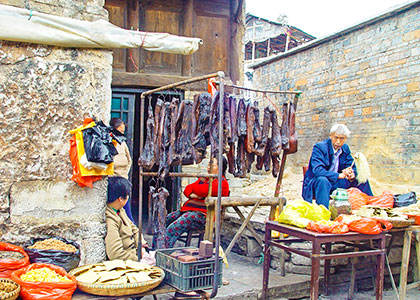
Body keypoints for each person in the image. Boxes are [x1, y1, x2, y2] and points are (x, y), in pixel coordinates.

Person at [162, 156, 230, 249]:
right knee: (165, 220)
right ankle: (155, 249)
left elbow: (201, 190)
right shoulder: (206, 179)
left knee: (173, 228)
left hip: (204, 217)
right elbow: (187, 189)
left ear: (220, 167)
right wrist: (193, 195)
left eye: (211, 164)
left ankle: (164, 251)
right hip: (189, 212)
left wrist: (197, 191)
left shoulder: (222, 183)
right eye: (208, 163)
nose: (208, 166)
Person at [302, 124, 373, 208]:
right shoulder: (320, 147)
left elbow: (350, 164)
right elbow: (317, 171)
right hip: (318, 182)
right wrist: (338, 175)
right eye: (336, 137)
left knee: (361, 178)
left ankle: (372, 207)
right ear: (331, 136)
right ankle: (324, 211)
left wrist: (351, 173)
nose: (338, 142)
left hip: (336, 182)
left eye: (342, 138)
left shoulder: (345, 148)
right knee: (322, 180)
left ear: (345, 138)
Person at [105, 176, 147, 260]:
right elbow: (115, 254)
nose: (128, 198)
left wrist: (141, 244)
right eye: (127, 195)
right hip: (127, 260)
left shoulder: (120, 210)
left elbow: (134, 229)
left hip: (135, 252)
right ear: (120, 199)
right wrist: (139, 259)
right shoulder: (110, 219)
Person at [109, 118, 134, 223]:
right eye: (119, 131)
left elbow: (129, 160)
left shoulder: (122, 144)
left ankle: (132, 229)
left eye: (123, 132)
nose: (121, 134)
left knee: (126, 209)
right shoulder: (109, 142)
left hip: (123, 179)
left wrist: (125, 173)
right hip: (113, 181)